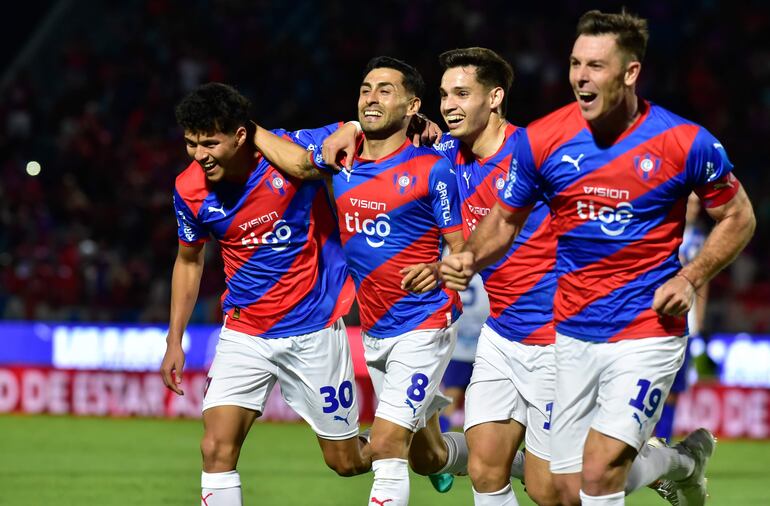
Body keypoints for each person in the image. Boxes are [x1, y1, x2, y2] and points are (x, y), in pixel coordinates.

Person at [440, 9, 755, 506]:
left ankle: (677, 463)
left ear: (630, 73)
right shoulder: (544, 140)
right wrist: (470, 257)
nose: (580, 78)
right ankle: (683, 463)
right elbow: (503, 219)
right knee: (560, 489)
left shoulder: (684, 142)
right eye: (574, 64)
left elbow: (738, 217)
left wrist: (692, 276)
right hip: (573, 333)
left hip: (646, 329)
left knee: (600, 471)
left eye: (595, 66)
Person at [322, 47, 559, 506]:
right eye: (445, 94)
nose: (447, 104)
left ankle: (672, 464)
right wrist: (350, 127)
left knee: (554, 491)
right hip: (502, 334)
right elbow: (384, 126)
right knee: (485, 471)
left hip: (557, 337)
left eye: (461, 94)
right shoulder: (445, 154)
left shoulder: (534, 155)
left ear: (495, 98)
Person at [253, 56, 470, 506]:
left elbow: (463, 245)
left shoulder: (434, 166)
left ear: (413, 106)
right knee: (426, 457)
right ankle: (514, 461)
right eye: (366, 88)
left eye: (385, 90)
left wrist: (438, 270)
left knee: (386, 444)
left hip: (426, 324)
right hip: (375, 329)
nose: (372, 96)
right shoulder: (339, 157)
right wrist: (250, 126)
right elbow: (288, 155)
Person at [159, 83, 371, 506]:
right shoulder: (189, 188)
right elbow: (188, 261)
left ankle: (424, 445)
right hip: (245, 331)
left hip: (313, 327)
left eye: (209, 143)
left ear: (241, 135)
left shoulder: (290, 149)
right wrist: (173, 339)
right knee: (215, 449)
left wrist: (351, 125)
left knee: (346, 462)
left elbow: (358, 131)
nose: (199, 155)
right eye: (190, 143)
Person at [655, 193, 709, 443]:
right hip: (657, 322)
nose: (695, 209)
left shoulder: (699, 240)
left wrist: (699, 321)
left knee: (674, 390)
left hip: (685, 325)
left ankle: (662, 442)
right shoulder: (662, 232)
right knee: (654, 387)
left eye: (698, 205)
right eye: (691, 203)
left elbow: (704, 284)